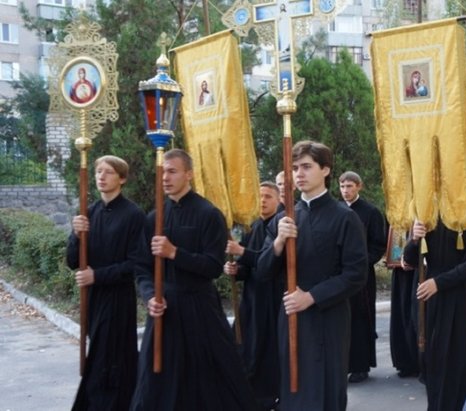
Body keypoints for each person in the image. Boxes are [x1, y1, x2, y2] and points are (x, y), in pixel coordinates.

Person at [130, 149, 258, 410]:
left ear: (188, 174)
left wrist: (175, 253)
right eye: (162, 171)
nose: (165, 177)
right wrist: (149, 295)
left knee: (210, 378)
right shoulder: (154, 218)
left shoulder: (209, 214)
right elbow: (142, 266)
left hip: (199, 309)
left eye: (172, 171)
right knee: (156, 381)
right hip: (163, 309)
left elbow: (213, 266)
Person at [256, 141, 367, 410]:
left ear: (326, 169)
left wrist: (311, 297)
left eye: (307, 167)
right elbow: (262, 271)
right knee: (294, 389)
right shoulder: (283, 219)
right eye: (295, 168)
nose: (299, 174)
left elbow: (356, 273)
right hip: (292, 315)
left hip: (328, 317)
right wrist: (279, 242)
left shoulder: (345, 218)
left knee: (324, 388)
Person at [67, 155, 144, 411]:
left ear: (121, 179)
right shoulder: (89, 213)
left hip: (118, 298)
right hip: (94, 298)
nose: (101, 176)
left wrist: (97, 275)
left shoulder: (133, 214)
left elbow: (135, 264)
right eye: (98, 171)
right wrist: (76, 235)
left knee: (110, 358)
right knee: (101, 356)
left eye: (108, 172)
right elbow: (72, 261)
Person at [403, 217, 466, 411]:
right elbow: (409, 260)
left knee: (459, 360)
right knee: (434, 361)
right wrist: (414, 239)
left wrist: (439, 283)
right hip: (431, 301)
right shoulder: (428, 219)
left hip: (460, 299)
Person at [224, 181, 282, 410]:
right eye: (260, 196)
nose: (264, 201)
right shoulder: (253, 226)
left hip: (273, 297)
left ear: (278, 200)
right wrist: (236, 269)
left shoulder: (280, 225)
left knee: (268, 349)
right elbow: (248, 265)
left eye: (268, 196)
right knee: (245, 345)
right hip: (252, 297)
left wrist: (242, 252)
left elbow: (269, 260)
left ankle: (270, 397)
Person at [338, 171, 386, 383]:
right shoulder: (336, 210)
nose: (345, 191)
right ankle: (342, 364)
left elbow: (378, 244)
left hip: (362, 276)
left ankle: (360, 365)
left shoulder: (371, 212)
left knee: (361, 319)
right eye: (342, 187)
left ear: (359, 186)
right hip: (339, 275)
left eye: (349, 186)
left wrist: (362, 262)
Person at [388, 229, 419, 379]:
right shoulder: (399, 212)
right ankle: (405, 361)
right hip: (401, 270)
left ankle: (421, 361)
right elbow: (396, 235)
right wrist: (398, 258)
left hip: (422, 270)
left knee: (417, 315)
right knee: (401, 313)